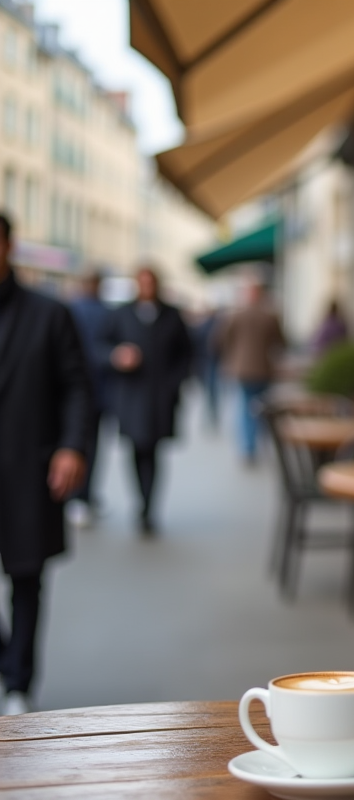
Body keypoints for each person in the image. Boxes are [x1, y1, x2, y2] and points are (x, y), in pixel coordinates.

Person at [0, 214, 94, 715]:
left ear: (8, 245)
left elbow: (78, 386)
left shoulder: (49, 314)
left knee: (26, 579)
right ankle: (9, 662)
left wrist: (71, 446)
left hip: (27, 469)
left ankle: (19, 683)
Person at [99, 266, 193, 533]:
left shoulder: (172, 315)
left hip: (160, 396)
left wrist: (174, 383)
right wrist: (116, 356)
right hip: (130, 395)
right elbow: (99, 347)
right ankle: (140, 501)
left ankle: (149, 506)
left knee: (153, 451)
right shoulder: (121, 314)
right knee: (136, 449)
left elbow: (187, 354)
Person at [216, 281, 285, 464]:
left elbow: (221, 340)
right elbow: (280, 342)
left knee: (245, 407)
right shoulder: (270, 316)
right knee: (260, 407)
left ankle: (248, 447)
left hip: (242, 369)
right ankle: (257, 443)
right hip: (263, 368)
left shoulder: (235, 316)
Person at [65, 272, 112, 528]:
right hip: (97, 391)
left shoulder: (70, 309)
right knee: (91, 448)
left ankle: (77, 497)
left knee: (77, 444)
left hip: (81, 391)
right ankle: (82, 496)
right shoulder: (103, 311)